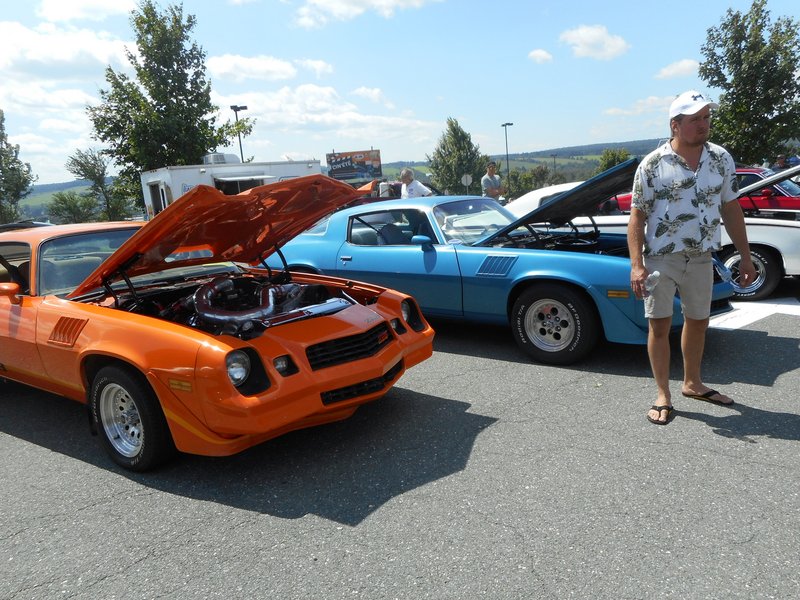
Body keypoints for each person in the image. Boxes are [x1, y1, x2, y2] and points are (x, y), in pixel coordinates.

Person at [626, 90, 756, 425]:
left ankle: (692, 383)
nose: (704, 124)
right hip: (661, 259)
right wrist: (637, 265)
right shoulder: (653, 164)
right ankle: (662, 394)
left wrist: (744, 256)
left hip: (702, 256)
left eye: (706, 117)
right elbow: (637, 217)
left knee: (699, 321)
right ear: (675, 125)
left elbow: (730, 207)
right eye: (695, 119)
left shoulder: (721, 159)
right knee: (659, 325)